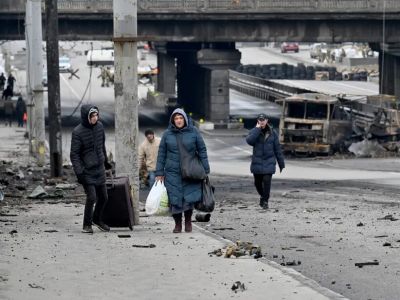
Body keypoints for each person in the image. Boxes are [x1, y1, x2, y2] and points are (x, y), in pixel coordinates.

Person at [155, 108, 210, 233]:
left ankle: (188, 222)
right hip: (172, 172)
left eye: (181, 118)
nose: (179, 120)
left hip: (190, 171)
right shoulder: (167, 134)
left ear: (185, 119)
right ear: (173, 120)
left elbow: (202, 150)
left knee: (188, 198)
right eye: (176, 118)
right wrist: (159, 172)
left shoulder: (194, 132)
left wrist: (205, 168)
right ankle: (178, 224)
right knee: (175, 199)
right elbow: (161, 154)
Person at [70, 104, 112, 234]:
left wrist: (106, 162)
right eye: (92, 116)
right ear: (86, 117)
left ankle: (97, 219)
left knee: (104, 197)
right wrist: (79, 172)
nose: (95, 118)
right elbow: (74, 154)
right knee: (92, 197)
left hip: (99, 169)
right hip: (86, 171)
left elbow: (101, 146)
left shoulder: (100, 127)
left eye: (96, 115)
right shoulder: (77, 132)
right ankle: (86, 225)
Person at [246, 113, 285, 209]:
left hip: (269, 162)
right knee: (257, 183)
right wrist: (257, 129)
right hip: (257, 162)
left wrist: (281, 163)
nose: (262, 121)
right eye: (260, 120)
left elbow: (277, 149)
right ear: (258, 121)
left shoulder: (273, 133)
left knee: (267, 181)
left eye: (263, 120)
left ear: (267, 121)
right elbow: (249, 141)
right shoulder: (254, 131)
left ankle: (265, 201)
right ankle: (262, 196)